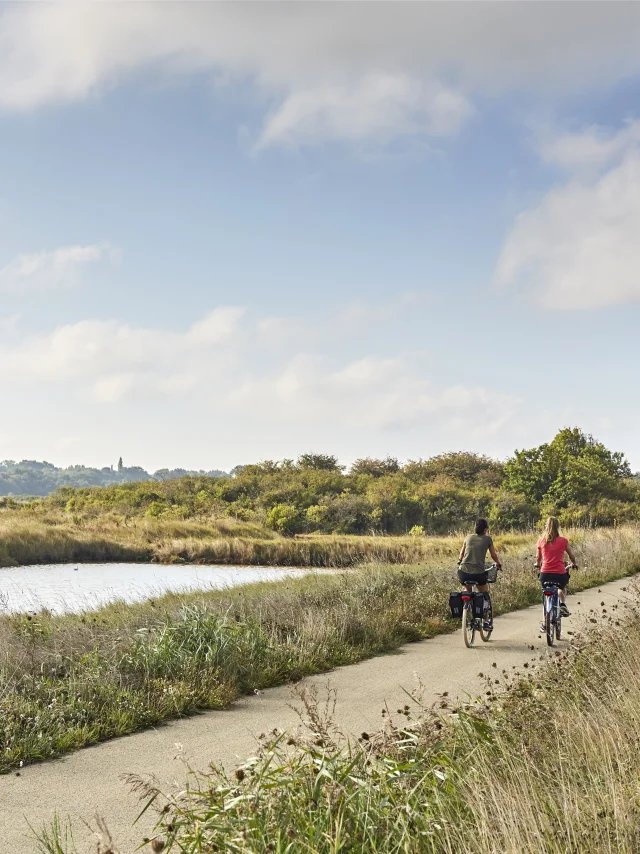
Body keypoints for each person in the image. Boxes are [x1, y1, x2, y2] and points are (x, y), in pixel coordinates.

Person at [457, 518, 502, 629]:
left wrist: (459, 561)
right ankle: (486, 621)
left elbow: (461, 554)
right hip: (478, 573)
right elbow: (493, 555)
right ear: (485, 529)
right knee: (484, 593)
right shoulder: (487, 539)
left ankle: (466, 609)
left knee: (467, 590)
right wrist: (498, 563)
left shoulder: (468, 537)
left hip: (463, 572)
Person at [535, 516, 577, 622]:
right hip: (559, 574)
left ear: (546, 527)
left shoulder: (541, 541)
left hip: (545, 574)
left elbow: (538, 558)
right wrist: (574, 563)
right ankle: (562, 604)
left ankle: (545, 621)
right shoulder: (563, 541)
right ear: (558, 527)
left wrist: (537, 564)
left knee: (546, 593)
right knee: (562, 587)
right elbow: (571, 555)